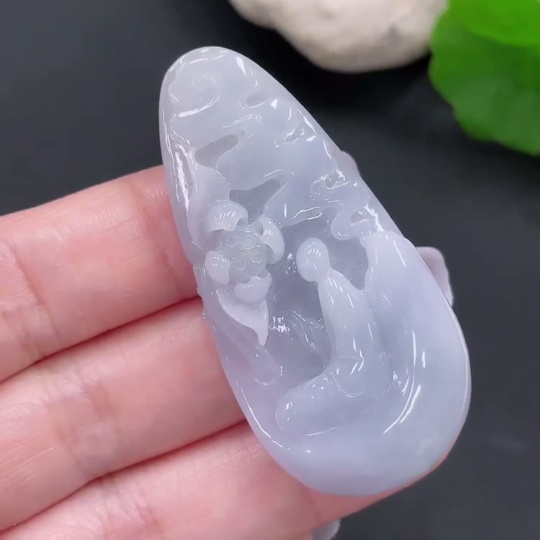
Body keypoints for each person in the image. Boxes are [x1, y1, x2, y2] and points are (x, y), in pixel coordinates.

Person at [0, 167, 419, 539]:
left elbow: (353, 353)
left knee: (293, 409)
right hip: (326, 363)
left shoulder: (332, 289)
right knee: (290, 407)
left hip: (351, 375)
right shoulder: (256, 272)